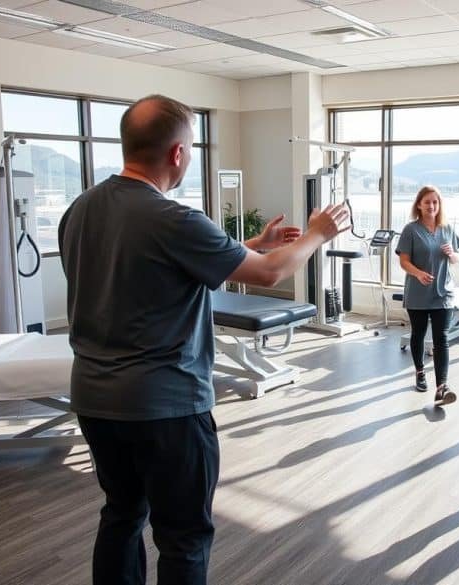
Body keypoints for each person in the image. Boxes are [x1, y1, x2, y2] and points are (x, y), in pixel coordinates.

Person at [58, 94, 350, 585]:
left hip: (94, 400)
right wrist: (318, 233)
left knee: (122, 516)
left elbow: (147, 266)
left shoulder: (80, 209)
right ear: (177, 154)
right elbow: (272, 275)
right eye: (191, 147)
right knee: (184, 537)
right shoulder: (173, 217)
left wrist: (252, 246)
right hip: (165, 407)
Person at [396, 185, 459, 405]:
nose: (432, 206)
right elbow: (403, 261)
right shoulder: (411, 230)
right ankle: (420, 371)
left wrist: (452, 254)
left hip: (443, 292)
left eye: (435, 202)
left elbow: (457, 258)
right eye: (427, 202)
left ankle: (442, 387)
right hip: (418, 292)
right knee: (419, 334)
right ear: (419, 205)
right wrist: (418, 274)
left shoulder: (447, 228)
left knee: (441, 338)